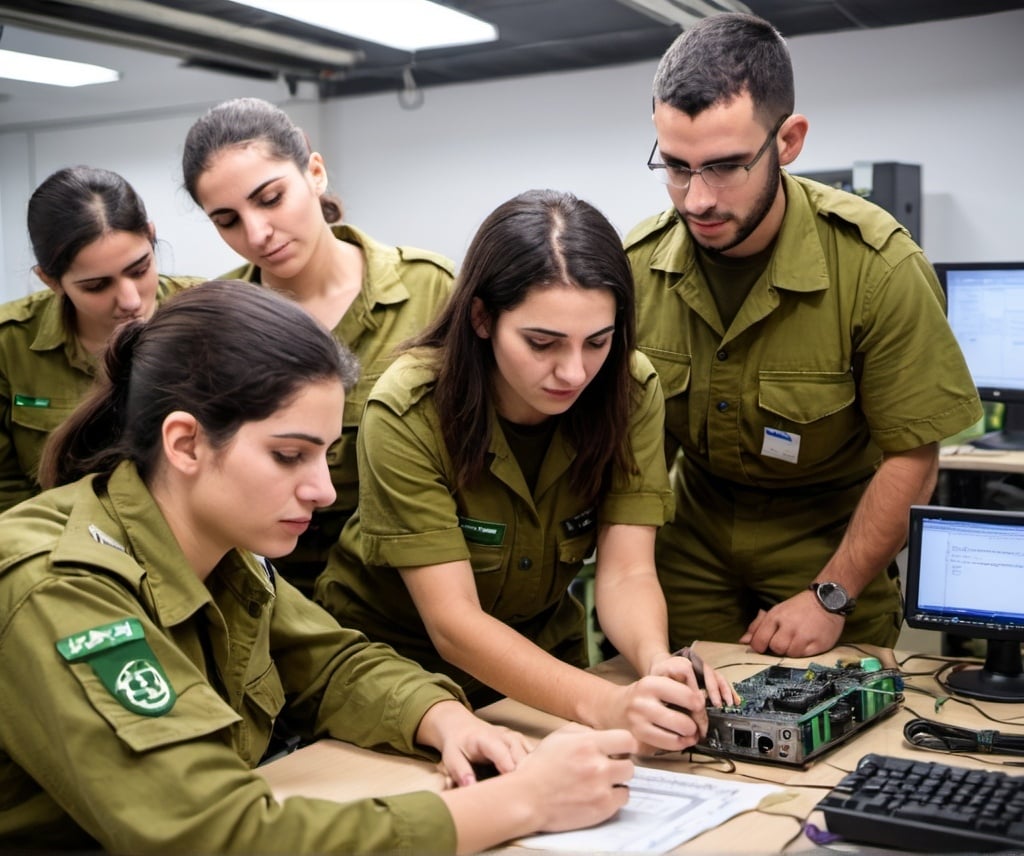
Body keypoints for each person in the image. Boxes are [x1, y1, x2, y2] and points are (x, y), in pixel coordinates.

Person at [0, 279, 639, 854]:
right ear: (186, 443)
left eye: (325, 455)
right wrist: (519, 802)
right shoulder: (61, 588)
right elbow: (215, 835)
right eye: (288, 456)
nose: (324, 492)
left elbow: (331, 665)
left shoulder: (219, 550)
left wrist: (443, 719)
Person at [316, 189, 736, 755]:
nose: (573, 371)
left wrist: (658, 666)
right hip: (404, 672)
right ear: (482, 318)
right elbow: (453, 622)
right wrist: (605, 703)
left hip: (547, 667)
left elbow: (626, 573)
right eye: (542, 343)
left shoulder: (628, 390)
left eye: (598, 341)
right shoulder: (409, 408)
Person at [626, 12, 983, 658]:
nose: (696, 199)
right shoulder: (636, 267)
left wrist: (832, 594)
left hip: (833, 540)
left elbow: (913, 457)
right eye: (675, 167)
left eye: (725, 167)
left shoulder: (877, 268)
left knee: (833, 734)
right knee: (672, 727)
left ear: (788, 142)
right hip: (691, 539)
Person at [182, 97, 453, 592]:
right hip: (269, 601)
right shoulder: (213, 323)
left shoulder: (431, 291)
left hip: (408, 595)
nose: (258, 233)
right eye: (227, 220)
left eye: (270, 198)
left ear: (315, 172)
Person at [0, 165, 200, 513]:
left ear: (151, 236)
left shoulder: (208, 315)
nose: (130, 300)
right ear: (50, 281)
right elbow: (5, 492)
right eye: (96, 286)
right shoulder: (9, 345)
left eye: (139, 270)